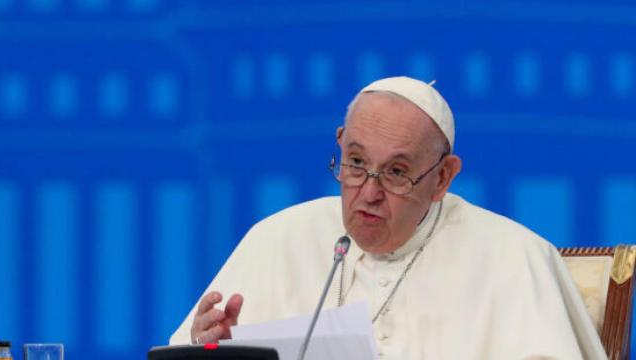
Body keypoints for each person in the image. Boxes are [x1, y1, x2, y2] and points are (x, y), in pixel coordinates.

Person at [170, 76, 607, 359]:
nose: (369, 193)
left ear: (442, 178)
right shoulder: (276, 239)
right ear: (340, 145)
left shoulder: (515, 258)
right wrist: (205, 348)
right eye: (356, 163)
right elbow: (189, 349)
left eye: (397, 172)